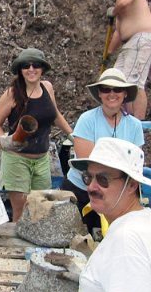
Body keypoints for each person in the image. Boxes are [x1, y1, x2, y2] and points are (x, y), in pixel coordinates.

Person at [67, 137, 151, 292]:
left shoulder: (126, 240)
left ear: (132, 185)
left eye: (103, 179)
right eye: (88, 177)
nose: (92, 187)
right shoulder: (139, 223)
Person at [0, 48, 73, 222]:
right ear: (20, 69)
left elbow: (56, 114)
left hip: (42, 160)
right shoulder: (12, 94)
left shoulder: (47, 88)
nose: (31, 69)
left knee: (40, 210)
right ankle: (16, 249)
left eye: (36, 65)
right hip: (17, 159)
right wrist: (4, 138)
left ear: (42, 68)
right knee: (20, 212)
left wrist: (73, 136)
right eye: (26, 66)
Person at [61, 68, 144, 232]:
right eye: (106, 89)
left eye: (117, 89)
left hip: (117, 194)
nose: (111, 93)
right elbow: (89, 165)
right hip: (83, 190)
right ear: (99, 93)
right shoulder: (87, 120)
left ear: (125, 93)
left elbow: (134, 164)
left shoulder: (134, 125)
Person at [105, 0, 151, 119]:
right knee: (117, 82)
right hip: (128, 45)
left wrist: (114, 11)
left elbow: (124, 2)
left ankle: (137, 123)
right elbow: (118, 33)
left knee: (134, 83)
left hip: (141, 39)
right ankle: (124, 118)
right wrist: (109, 54)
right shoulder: (121, 5)